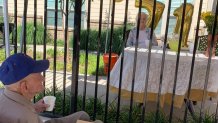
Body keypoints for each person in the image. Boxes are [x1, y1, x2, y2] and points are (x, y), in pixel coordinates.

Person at [0, 53, 101, 123]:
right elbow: (23, 115)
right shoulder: (26, 116)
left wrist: (34, 107)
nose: (43, 78)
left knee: (82, 116)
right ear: (24, 86)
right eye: (38, 74)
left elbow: (17, 110)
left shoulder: (4, 97)